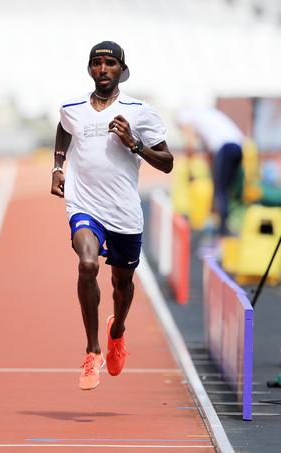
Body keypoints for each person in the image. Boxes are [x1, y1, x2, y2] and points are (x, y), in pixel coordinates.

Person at [50, 41, 174, 391]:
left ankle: (117, 330)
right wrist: (58, 166)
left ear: (121, 69)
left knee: (122, 284)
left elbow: (167, 163)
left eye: (109, 64)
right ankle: (92, 351)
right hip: (84, 204)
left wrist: (134, 144)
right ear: (89, 69)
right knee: (87, 265)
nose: (102, 69)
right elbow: (63, 128)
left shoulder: (139, 111)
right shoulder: (72, 108)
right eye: (96, 63)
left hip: (123, 212)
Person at [176, 106, 244, 236]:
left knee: (220, 189)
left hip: (225, 146)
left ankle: (222, 229)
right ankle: (224, 224)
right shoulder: (203, 115)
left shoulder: (185, 117)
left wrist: (190, 168)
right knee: (225, 189)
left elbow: (189, 144)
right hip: (238, 146)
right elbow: (210, 154)